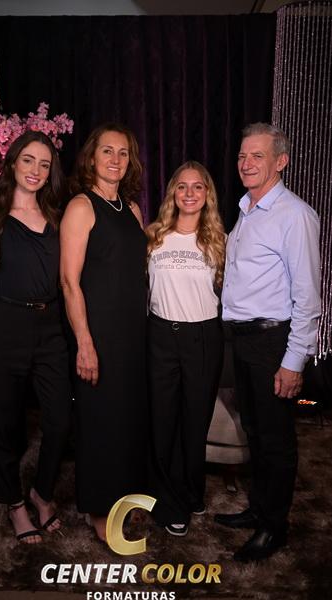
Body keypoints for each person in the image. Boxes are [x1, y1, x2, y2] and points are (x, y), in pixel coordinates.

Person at [215, 122, 321, 561]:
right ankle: (259, 510)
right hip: (242, 341)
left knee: (276, 439)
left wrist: (293, 361)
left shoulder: (295, 215)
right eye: (243, 155)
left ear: (281, 161)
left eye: (257, 156)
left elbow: (308, 296)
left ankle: (275, 527)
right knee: (256, 433)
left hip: (272, 341)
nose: (246, 163)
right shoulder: (247, 209)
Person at [0, 130, 72, 544]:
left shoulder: (58, 218)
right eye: (28, 160)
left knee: (61, 420)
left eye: (44, 164)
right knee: (6, 422)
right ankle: (14, 503)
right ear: (13, 163)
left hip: (51, 327)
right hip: (4, 326)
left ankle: (41, 493)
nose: (36, 170)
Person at [60, 122, 147, 542]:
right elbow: (69, 282)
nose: (116, 159)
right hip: (98, 333)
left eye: (123, 152)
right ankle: (98, 509)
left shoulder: (132, 210)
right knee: (100, 422)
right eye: (107, 151)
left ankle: (123, 497)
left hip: (133, 333)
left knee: (128, 418)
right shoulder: (81, 206)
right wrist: (85, 343)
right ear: (92, 158)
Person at [146, 161, 225, 536]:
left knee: (195, 422)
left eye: (198, 187)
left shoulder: (220, 241)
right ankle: (169, 501)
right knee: (163, 421)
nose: (189, 193)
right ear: (172, 193)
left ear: (207, 194)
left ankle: (192, 491)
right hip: (160, 335)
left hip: (203, 337)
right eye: (182, 186)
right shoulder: (153, 236)